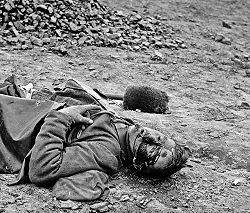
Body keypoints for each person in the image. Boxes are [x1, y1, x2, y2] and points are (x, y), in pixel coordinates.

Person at [0, 77, 191, 201]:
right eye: (162, 138)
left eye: (155, 151)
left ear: (138, 164)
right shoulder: (126, 127)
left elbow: (42, 169)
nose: (152, 138)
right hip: (25, 103)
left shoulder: (104, 150)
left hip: (13, 121)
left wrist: (62, 118)